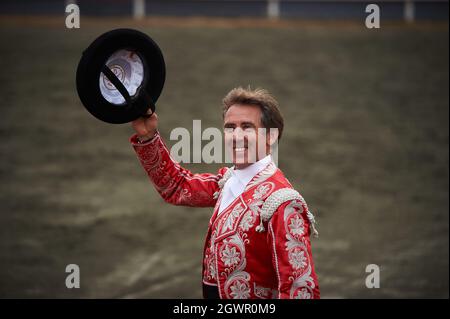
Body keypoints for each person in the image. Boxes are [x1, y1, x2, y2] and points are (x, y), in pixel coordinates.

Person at [130, 87, 320, 299]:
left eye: (246, 127)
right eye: (230, 128)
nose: (236, 136)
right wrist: (148, 136)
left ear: (271, 137)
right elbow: (177, 187)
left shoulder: (282, 202)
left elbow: (300, 289)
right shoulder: (228, 181)